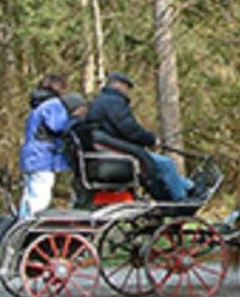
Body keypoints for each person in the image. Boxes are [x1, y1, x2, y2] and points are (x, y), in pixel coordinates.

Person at [84, 71, 196, 201]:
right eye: (126, 87)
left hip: (115, 150)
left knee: (162, 164)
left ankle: (189, 187)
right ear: (117, 85)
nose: (127, 91)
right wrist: (151, 139)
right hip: (120, 154)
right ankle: (181, 200)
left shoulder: (101, 101)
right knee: (167, 164)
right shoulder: (113, 102)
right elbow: (129, 129)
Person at [17, 76, 86, 218]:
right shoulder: (52, 105)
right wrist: (75, 119)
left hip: (31, 155)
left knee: (30, 192)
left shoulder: (37, 106)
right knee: (40, 193)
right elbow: (58, 126)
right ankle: (31, 226)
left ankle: (22, 223)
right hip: (42, 157)